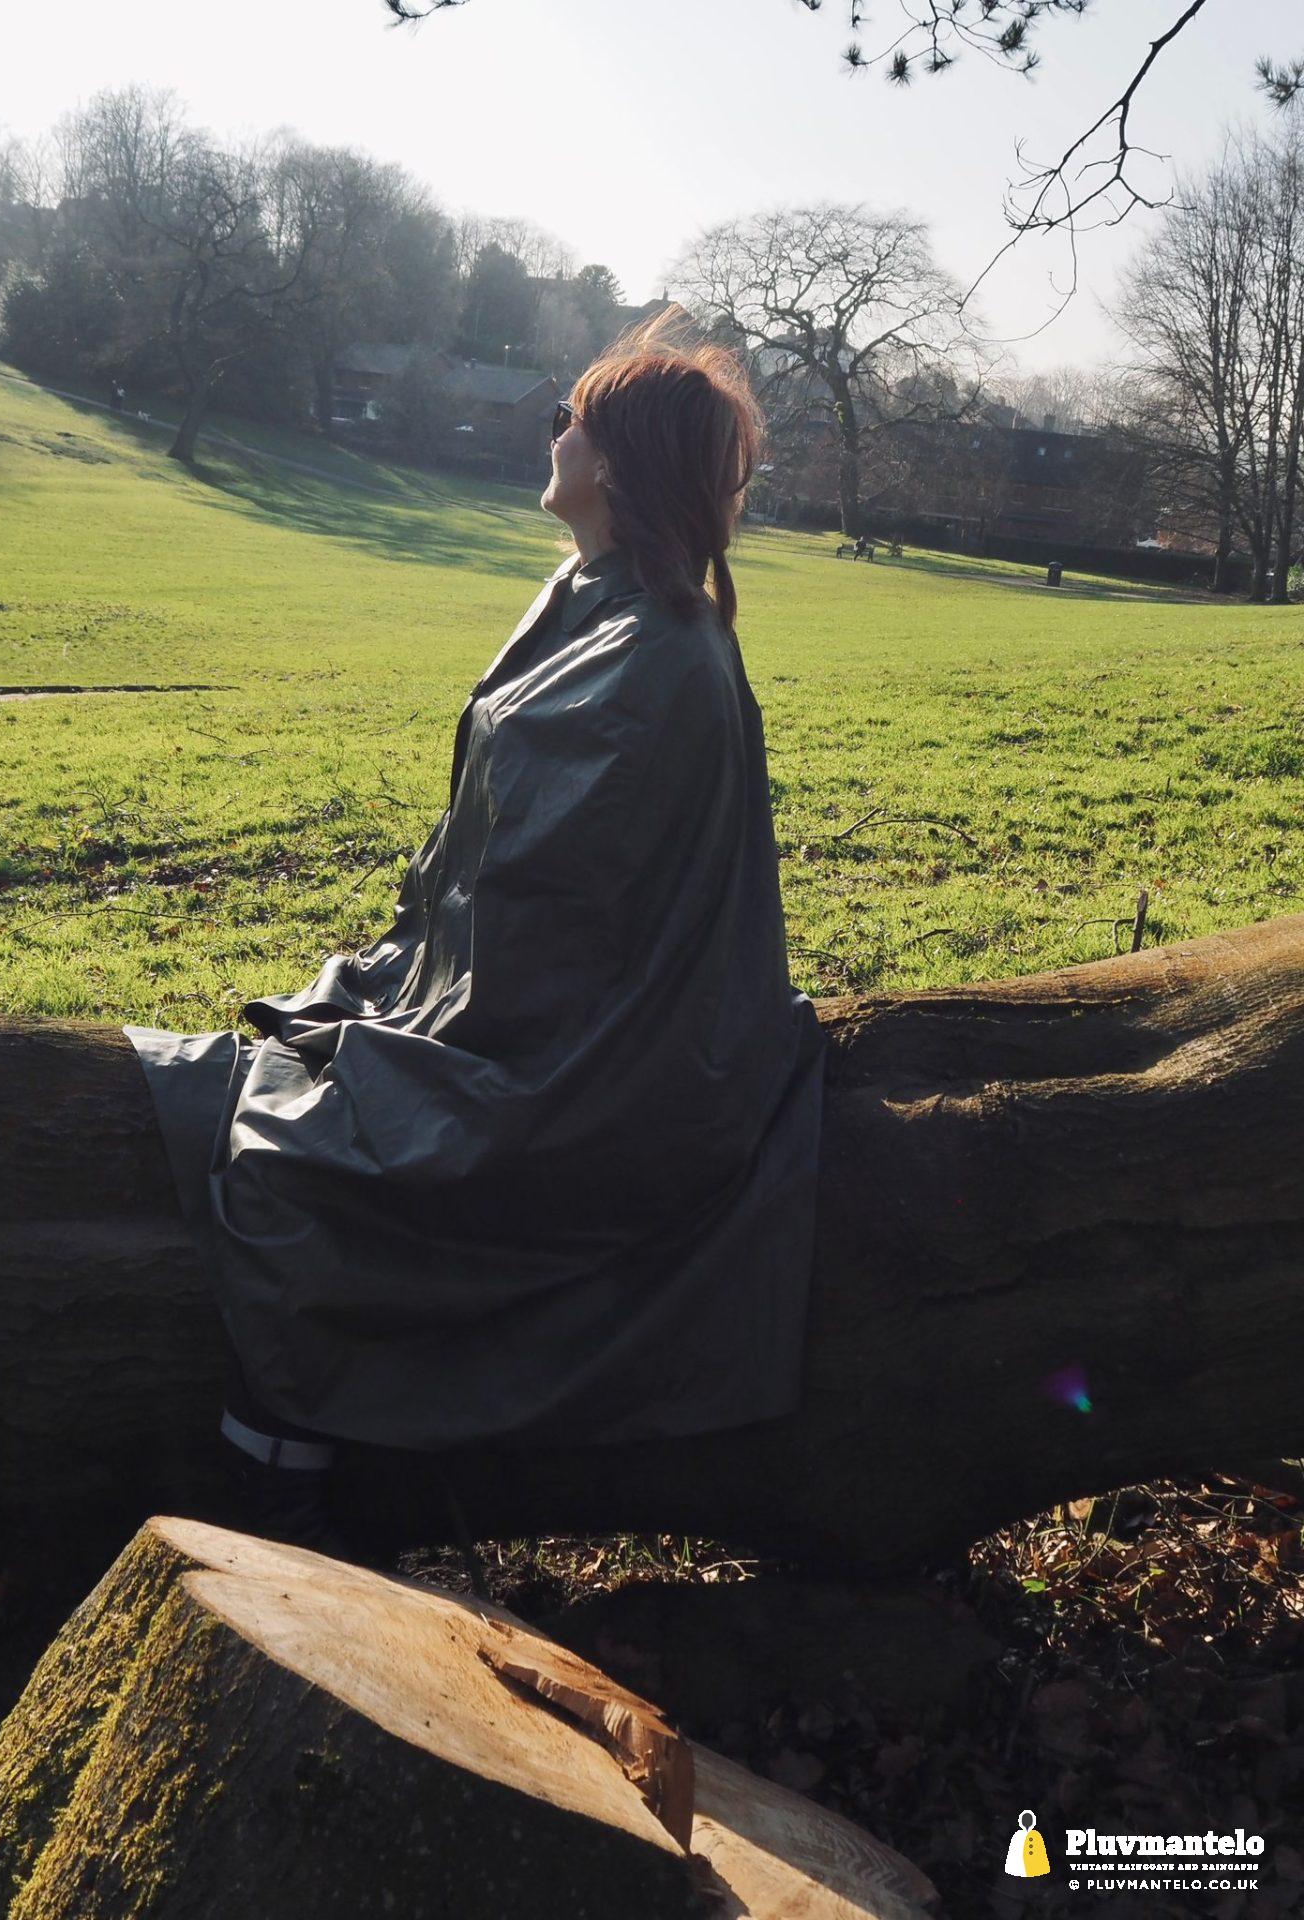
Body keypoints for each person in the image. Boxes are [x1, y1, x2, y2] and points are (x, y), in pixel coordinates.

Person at [122, 307, 828, 1558]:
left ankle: (279, 1488)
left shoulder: (656, 654)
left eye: (572, 417)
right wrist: (401, 981)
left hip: (593, 1073)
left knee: (293, 1171)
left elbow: (554, 923)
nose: (553, 433)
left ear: (618, 463)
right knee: (279, 1079)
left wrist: (412, 1025)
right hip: (531, 1010)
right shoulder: (597, 601)